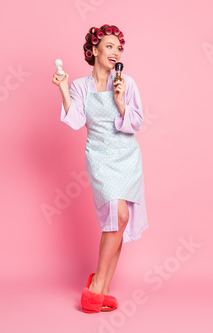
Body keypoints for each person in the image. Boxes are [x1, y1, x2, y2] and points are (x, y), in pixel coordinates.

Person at [52, 24, 148, 313]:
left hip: (127, 155)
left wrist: (120, 102)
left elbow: (137, 122)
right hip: (99, 155)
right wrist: (62, 89)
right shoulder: (80, 86)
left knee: (120, 221)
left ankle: (103, 287)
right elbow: (75, 120)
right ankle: (95, 286)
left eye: (118, 48)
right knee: (116, 215)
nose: (115, 51)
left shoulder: (126, 82)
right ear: (93, 51)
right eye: (108, 46)